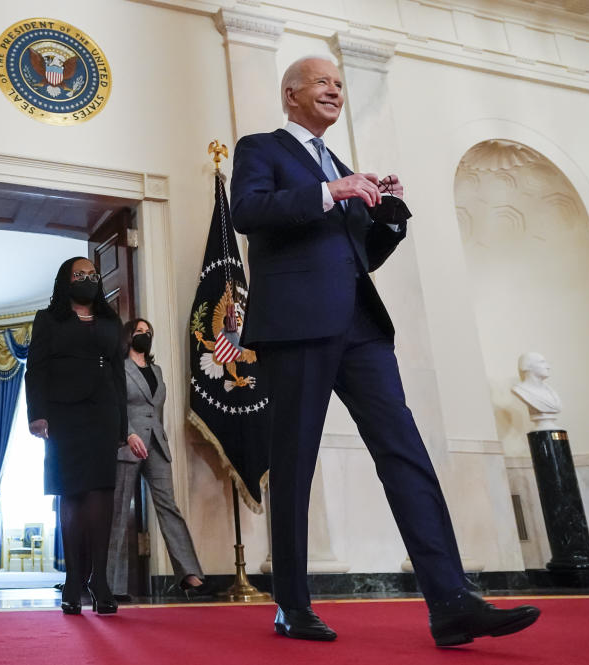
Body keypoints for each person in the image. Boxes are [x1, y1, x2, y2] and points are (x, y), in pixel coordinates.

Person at [229, 55, 540, 646]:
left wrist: (389, 218)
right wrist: (329, 191)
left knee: (406, 454)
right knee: (293, 466)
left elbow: (358, 256)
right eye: (323, 82)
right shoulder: (262, 148)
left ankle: (451, 602)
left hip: (361, 327)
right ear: (290, 94)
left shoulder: (341, 166)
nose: (335, 91)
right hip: (295, 327)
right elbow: (247, 212)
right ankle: (291, 606)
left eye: (341, 84)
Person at [26, 257, 127, 616]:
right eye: (79, 274)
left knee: (101, 493)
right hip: (63, 414)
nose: (88, 279)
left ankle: (99, 582)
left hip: (103, 412)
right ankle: (72, 581)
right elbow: (35, 369)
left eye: (93, 275)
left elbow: (118, 373)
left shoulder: (111, 321)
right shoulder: (48, 319)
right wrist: (37, 415)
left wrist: (121, 426)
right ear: (65, 281)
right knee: (71, 494)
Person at [107, 318, 212, 599]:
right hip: (127, 444)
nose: (145, 335)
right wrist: (128, 434)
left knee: (169, 507)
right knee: (118, 514)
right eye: (139, 332)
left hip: (157, 445)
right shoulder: (118, 368)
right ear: (128, 336)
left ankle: (190, 575)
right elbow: (114, 407)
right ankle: (112, 585)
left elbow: (156, 409)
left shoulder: (157, 370)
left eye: (148, 332)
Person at [511, 352, 562, 431]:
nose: (548, 367)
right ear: (526, 366)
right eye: (542, 362)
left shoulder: (550, 391)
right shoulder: (519, 390)